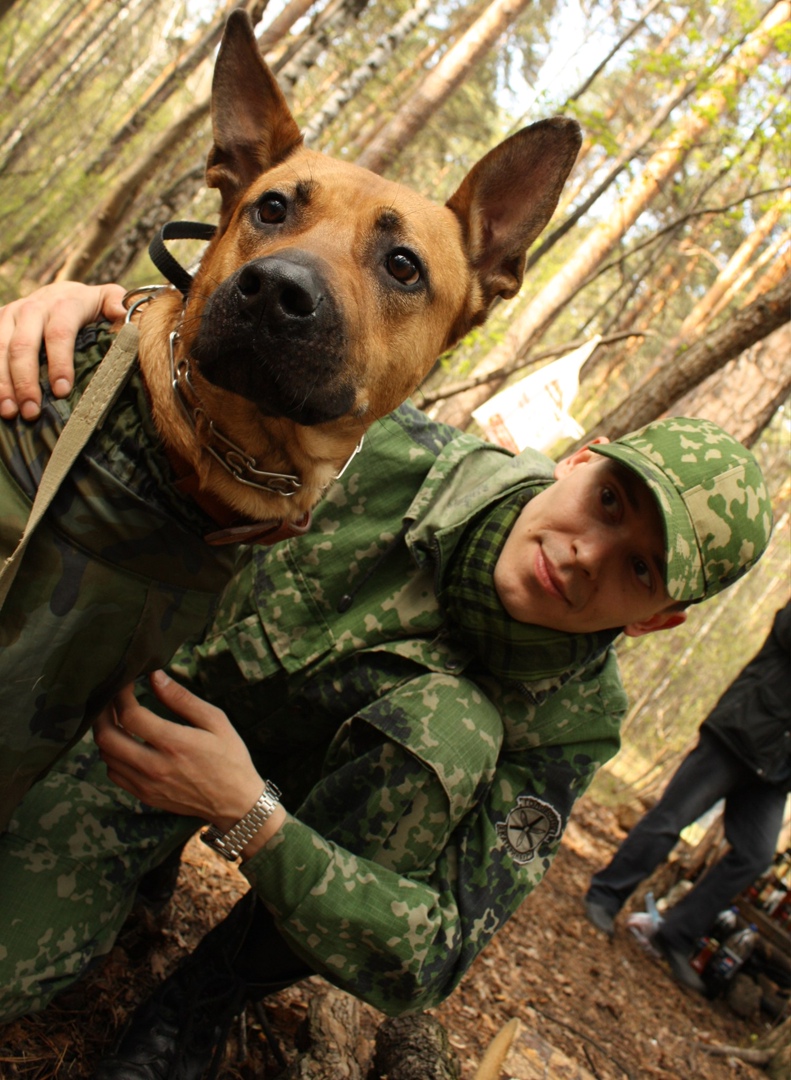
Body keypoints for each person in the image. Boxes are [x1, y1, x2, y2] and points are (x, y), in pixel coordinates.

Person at [0, 285, 774, 1080]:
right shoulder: (380, 453)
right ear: (579, 459)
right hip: (140, 746)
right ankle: (145, 870)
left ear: (656, 622)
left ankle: (204, 998)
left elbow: (435, 950)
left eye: (638, 569)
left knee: (453, 727)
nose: (586, 555)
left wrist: (249, 818)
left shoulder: (570, 723)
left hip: (265, 816)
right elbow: (198, 372)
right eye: (607, 502)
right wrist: (96, 311)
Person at [585, 600, 791, 992]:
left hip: (776, 771)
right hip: (739, 733)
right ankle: (606, 895)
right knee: (671, 819)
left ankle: (677, 934)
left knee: (756, 855)